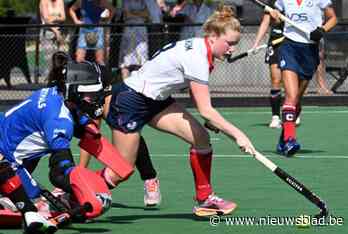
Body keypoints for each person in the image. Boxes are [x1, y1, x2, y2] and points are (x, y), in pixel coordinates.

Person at [96, 5, 256, 217]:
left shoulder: (201, 49)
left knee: (201, 138)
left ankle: (205, 199)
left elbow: (194, 93)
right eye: (230, 43)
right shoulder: (197, 57)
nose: (232, 49)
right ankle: (76, 193)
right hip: (131, 100)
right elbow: (206, 110)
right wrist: (239, 135)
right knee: (121, 170)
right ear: (213, 36)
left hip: (157, 100)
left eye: (235, 44)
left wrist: (211, 122)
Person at [0, 54, 114, 233]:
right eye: (91, 94)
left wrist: (86, 124)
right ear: (75, 92)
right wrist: (90, 192)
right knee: (40, 207)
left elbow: (76, 115)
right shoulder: (60, 121)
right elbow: (59, 172)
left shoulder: (55, 91)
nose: (95, 99)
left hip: (8, 147)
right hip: (5, 158)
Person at [79, 64, 162, 207]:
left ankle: (150, 178)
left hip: (114, 90)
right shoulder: (65, 94)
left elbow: (91, 135)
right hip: (95, 92)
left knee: (126, 130)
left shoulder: (99, 99)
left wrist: (79, 174)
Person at [268, 0, 337, 156]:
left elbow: (333, 18)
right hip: (289, 47)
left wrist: (322, 30)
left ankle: (283, 140)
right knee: (291, 97)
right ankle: (290, 139)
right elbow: (277, 20)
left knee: (297, 99)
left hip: (310, 50)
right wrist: (275, 17)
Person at [252, 0, 284, 128]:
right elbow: (265, 23)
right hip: (276, 43)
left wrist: (281, 20)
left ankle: (293, 111)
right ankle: (276, 117)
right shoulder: (272, 3)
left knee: (292, 81)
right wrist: (256, 43)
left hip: (292, 43)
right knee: (276, 80)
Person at [69, 0, 115, 64]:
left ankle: (101, 73)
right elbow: (71, 9)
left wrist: (107, 21)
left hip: (98, 30)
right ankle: (82, 72)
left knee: (99, 59)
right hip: (84, 29)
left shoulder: (101, 1)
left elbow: (112, 9)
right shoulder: (81, 1)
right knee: (79, 58)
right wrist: (76, 21)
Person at [119, 0, 150, 79]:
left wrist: (134, 13)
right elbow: (127, 15)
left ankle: (138, 86)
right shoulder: (126, 2)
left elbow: (147, 14)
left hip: (141, 31)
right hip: (129, 30)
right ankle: (125, 86)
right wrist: (140, 13)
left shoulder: (143, 2)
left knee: (141, 60)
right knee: (126, 62)